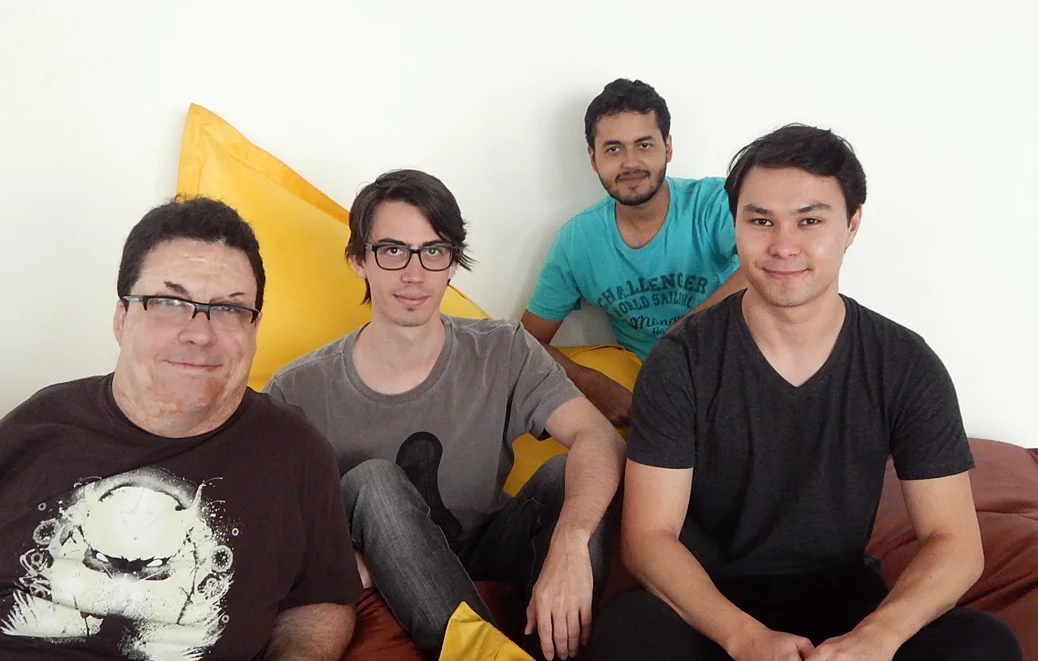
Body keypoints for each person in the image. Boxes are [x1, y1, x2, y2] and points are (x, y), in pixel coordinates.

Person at [588, 124, 1021, 661]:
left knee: (985, 644)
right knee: (627, 639)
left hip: (846, 610)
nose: (783, 245)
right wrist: (744, 637)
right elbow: (650, 537)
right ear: (736, 225)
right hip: (709, 611)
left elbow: (955, 543)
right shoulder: (681, 360)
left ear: (852, 224)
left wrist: (876, 639)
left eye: (810, 220)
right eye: (760, 221)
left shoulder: (905, 363)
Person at [264, 169, 625, 661]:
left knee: (570, 474)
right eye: (393, 250)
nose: (414, 274)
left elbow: (600, 437)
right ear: (358, 260)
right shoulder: (297, 388)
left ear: (452, 263)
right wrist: (351, 563)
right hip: (388, 561)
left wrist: (571, 541)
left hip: (489, 547)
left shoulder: (503, 348)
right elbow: (274, 529)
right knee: (372, 480)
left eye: (433, 251)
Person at [0, 196, 362, 660]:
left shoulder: (294, 452)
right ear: (121, 317)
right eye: (169, 302)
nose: (200, 333)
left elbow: (319, 597)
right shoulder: (38, 427)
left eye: (230, 309)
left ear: (254, 331)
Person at [521, 78, 746, 426]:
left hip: (738, 376)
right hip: (660, 402)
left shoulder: (713, 204)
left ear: (667, 148)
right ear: (592, 159)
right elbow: (527, 341)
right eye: (613, 149)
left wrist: (682, 334)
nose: (630, 163)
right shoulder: (577, 241)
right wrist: (590, 382)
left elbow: (768, 265)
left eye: (644, 145)